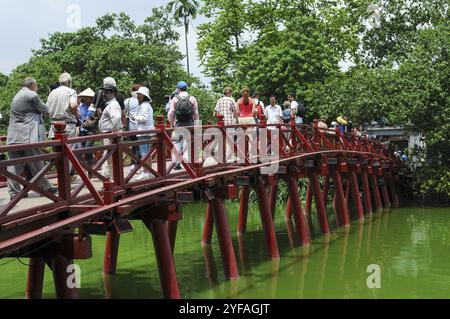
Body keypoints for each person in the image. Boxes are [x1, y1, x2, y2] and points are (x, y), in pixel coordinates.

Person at [6, 77, 57, 199]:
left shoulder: (18, 94)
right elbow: (46, 110)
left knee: (13, 165)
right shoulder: (32, 95)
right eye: (37, 86)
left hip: (14, 136)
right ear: (33, 86)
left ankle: (14, 193)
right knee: (36, 162)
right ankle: (45, 188)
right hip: (27, 136)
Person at [168, 81, 199, 170]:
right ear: (186, 88)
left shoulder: (175, 99)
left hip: (179, 123)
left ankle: (176, 164)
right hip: (190, 123)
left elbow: (171, 113)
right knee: (188, 143)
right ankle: (187, 162)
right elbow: (196, 113)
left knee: (177, 143)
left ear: (178, 89)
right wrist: (196, 124)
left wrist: (171, 123)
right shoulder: (192, 98)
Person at [98, 82, 123, 178]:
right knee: (110, 157)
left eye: (107, 92)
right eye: (104, 91)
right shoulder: (110, 104)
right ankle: (109, 177)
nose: (104, 94)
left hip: (111, 134)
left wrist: (115, 133)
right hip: (110, 133)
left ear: (113, 93)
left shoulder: (113, 105)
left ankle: (110, 178)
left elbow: (116, 118)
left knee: (110, 157)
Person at [130, 86, 154, 181]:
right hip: (146, 131)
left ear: (144, 96)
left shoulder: (144, 105)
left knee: (144, 153)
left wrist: (135, 117)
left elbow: (144, 119)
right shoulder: (146, 105)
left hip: (144, 132)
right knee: (147, 153)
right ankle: (149, 172)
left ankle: (145, 172)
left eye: (140, 94)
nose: (138, 96)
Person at [47, 72, 79, 140]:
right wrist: (77, 115)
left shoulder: (52, 92)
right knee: (69, 149)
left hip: (54, 126)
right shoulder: (71, 91)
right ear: (69, 82)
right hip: (68, 126)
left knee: (57, 149)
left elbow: (47, 110)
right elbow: (73, 106)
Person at [124, 84, 142, 169]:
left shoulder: (128, 101)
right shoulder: (141, 100)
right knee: (138, 146)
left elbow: (124, 112)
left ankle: (132, 164)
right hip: (140, 126)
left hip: (131, 127)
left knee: (133, 145)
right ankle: (137, 164)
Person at [77, 88, 96, 166]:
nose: (85, 98)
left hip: (90, 130)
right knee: (82, 149)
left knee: (88, 149)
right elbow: (79, 117)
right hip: (82, 130)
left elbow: (90, 116)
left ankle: (91, 169)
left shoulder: (93, 106)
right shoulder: (82, 106)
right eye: (84, 96)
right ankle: (87, 168)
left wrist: (91, 106)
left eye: (87, 96)